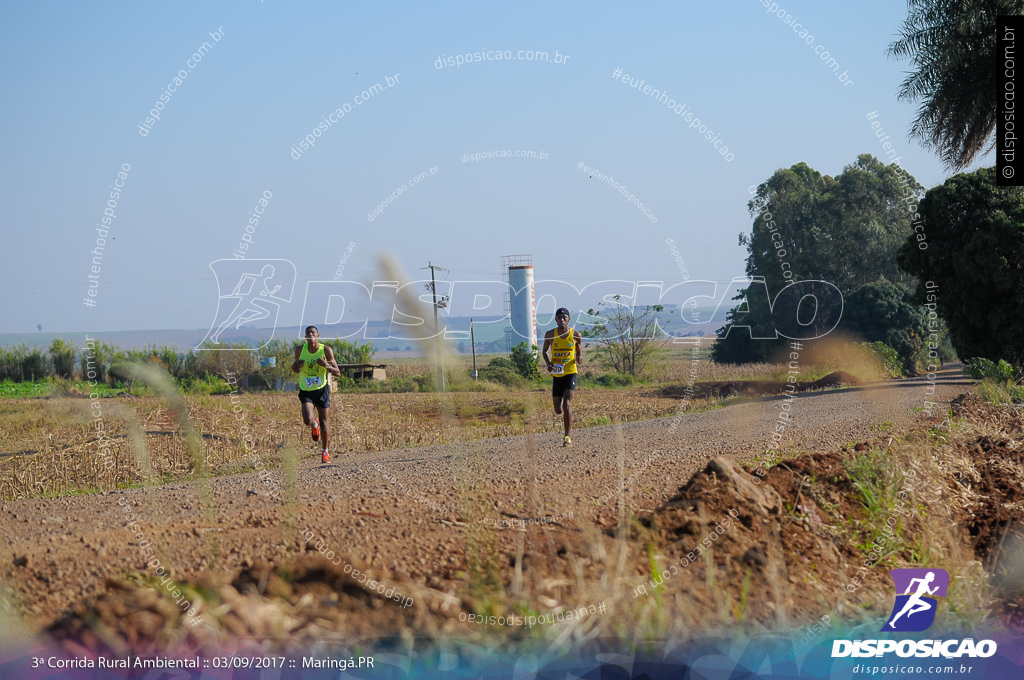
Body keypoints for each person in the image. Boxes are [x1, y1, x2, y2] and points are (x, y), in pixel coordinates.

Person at [291, 326, 342, 463]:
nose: (310, 334)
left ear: (317, 335)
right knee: (307, 419)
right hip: (306, 390)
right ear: (305, 336)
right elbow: (295, 369)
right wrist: (295, 367)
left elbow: (337, 372)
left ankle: (325, 452)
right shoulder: (299, 350)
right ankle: (314, 425)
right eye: (308, 333)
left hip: (321, 389)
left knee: (325, 422)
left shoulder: (325, 350)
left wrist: (326, 366)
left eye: (312, 332)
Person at [542, 307, 582, 447]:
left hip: (571, 372)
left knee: (567, 404)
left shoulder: (576, 335)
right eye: (559, 317)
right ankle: (565, 424)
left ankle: (567, 437)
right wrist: (548, 363)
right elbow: (544, 351)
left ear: (569, 319)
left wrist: (579, 357)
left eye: (564, 318)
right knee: (558, 409)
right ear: (556, 320)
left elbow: (578, 350)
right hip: (557, 374)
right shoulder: (550, 334)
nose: (562, 320)